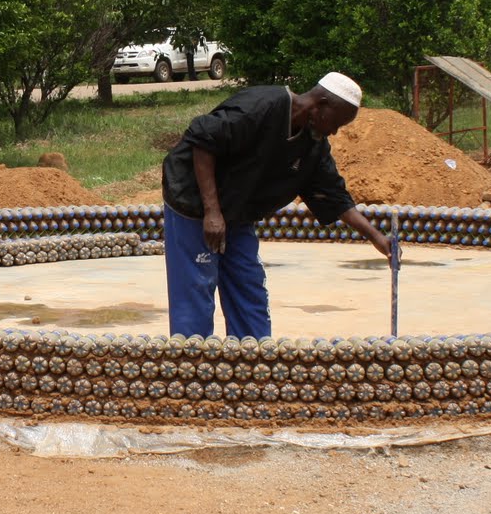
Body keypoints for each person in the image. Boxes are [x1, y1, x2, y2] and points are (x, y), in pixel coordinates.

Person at [161, 73, 395, 338]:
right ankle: (193, 366)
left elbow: (334, 196)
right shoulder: (262, 106)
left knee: (249, 287)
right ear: (320, 103)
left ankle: (254, 363)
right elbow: (202, 140)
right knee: (196, 288)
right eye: (336, 122)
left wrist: (376, 237)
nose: (334, 131)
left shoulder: (313, 145)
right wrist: (212, 212)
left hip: (237, 212)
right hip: (193, 202)